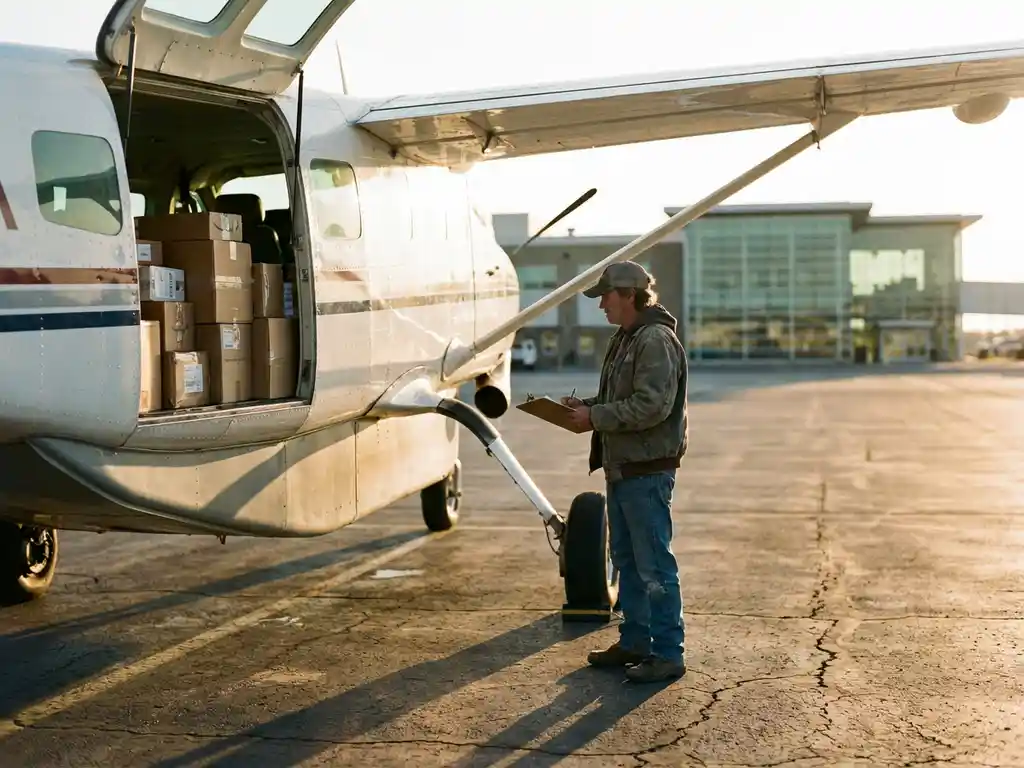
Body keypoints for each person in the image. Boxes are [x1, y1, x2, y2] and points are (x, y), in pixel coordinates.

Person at [561, 261, 688, 684]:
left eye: (605, 297)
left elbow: (652, 406)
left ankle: (668, 653)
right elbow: (625, 397)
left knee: (654, 566)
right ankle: (635, 641)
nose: (601, 306)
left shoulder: (654, 340)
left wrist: (595, 416)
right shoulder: (628, 339)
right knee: (630, 563)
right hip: (624, 468)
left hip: (646, 471)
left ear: (629, 294)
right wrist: (585, 408)